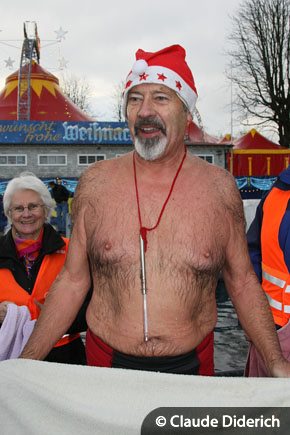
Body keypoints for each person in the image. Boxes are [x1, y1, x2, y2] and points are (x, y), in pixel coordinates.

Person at [20, 44, 290, 376]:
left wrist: (275, 362)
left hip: (192, 367)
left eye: (161, 98)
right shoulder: (96, 184)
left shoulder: (219, 189)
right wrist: (27, 362)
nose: (145, 111)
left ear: (186, 113)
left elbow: (243, 282)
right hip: (107, 365)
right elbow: (73, 281)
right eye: (135, 99)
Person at [0, 172, 89, 364]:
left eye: (33, 206)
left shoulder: (71, 250)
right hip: (10, 358)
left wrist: (60, 317)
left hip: (65, 357)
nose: (26, 214)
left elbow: (93, 306)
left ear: (46, 209)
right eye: (18, 208)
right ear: (9, 213)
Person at [246, 167, 290, 374]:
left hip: (269, 334)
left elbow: (251, 257)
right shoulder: (275, 194)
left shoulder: (275, 194)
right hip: (272, 336)